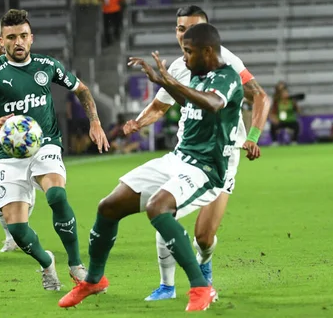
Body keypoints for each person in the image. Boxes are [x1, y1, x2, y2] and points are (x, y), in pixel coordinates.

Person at [58, 23, 257, 312]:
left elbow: (213, 104)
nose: (184, 58)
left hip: (207, 169)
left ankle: (201, 286)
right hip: (177, 158)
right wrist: (162, 81)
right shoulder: (196, 75)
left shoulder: (227, 76)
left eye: (189, 52)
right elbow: (189, 101)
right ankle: (93, 280)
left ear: (208, 51)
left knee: (157, 208)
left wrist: (171, 81)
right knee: (108, 206)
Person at [121, 5, 270, 301]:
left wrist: (253, 136)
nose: (184, 34)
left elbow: (260, 96)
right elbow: (162, 106)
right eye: (180, 29)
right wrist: (138, 122)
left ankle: (204, 266)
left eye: (191, 28)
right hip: (185, 155)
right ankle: (168, 285)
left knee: (203, 237)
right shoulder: (179, 65)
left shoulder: (225, 62)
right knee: (163, 213)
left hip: (220, 159)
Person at [0, 9, 110, 290]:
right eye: (11, 37)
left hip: (45, 144)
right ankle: (47, 263)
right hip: (9, 155)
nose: (18, 42)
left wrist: (95, 121)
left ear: (31, 38)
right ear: (2, 40)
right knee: (18, 229)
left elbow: (81, 89)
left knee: (56, 194)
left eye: (23, 36)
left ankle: (76, 265)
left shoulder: (47, 65)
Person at [0, 23, 36, 253]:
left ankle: (20, 225)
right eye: (3, 40)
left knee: (28, 183)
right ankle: (9, 235)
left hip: (24, 135)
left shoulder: (28, 68)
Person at [66, 72, 92, 155]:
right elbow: (69, 104)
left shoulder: (83, 90)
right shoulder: (71, 92)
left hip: (83, 116)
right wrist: (69, 115)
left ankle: (84, 150)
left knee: (85, 134)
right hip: (75, 117)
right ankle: (73, 151)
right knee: (74, 135)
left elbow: (88, 102)